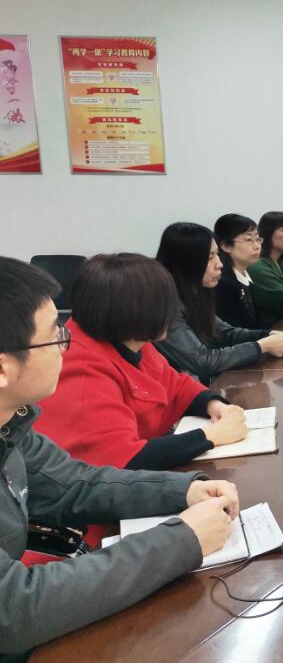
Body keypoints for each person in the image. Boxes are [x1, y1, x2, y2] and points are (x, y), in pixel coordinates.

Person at [0, 256, 240, 659]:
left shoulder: (12, 423)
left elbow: (73, 483)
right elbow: (13, 609)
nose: (65, 346)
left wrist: (183, 490)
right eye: (54, 336)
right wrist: (182, 541)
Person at [34, 254, 248, 485]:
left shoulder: (130, 339)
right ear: (129, 311)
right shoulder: (82, 369)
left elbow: (176, 385)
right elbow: (123, 459)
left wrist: (213, 405)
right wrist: (210, 437)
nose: (171, 315)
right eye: (163, 306)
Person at [155, 222, 283, 383]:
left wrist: (269, 335)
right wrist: (262, 346)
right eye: (210, 258)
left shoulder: (195, 292)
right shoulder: (164, 304)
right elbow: (203, 361)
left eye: (217, 255)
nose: (219, 264)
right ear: (184, 263)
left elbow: (225, 333)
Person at [213, 213, 266, 329]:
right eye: (249, 240)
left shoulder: (246, 278)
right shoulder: (221, 284)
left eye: (258, 239)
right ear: (226, 246)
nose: (257, 246)